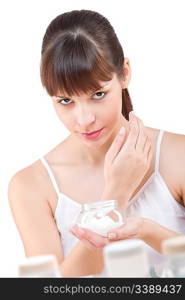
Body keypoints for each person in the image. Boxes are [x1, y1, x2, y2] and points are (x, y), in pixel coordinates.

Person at [8, 9, 185, 278]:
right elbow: (44, 291)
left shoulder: (177, 157)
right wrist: (115, 195)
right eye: (65, 101)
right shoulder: (32, 186)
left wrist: (147, 230)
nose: (84, 119)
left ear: (124, 74)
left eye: (98, 94)